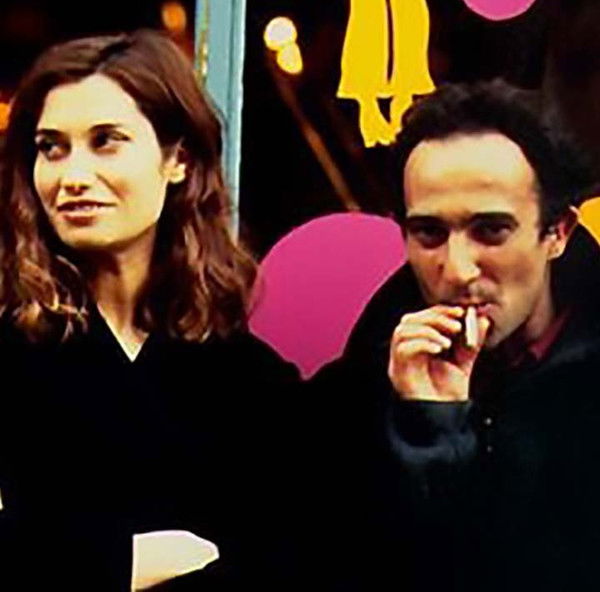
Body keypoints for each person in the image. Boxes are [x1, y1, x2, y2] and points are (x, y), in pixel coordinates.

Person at [0, 29, 302, 591]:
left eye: (106, 141)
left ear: (178, 159)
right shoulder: (13, 342)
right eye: (51, 148)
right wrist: (123, 561)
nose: (72, 177)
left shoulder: (249, 378)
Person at [315, 80, 600, 591]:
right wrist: (428, 427)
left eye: (491, 231)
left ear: (557, 231)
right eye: (429, 233)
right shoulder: (361, 387)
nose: (458, 269)